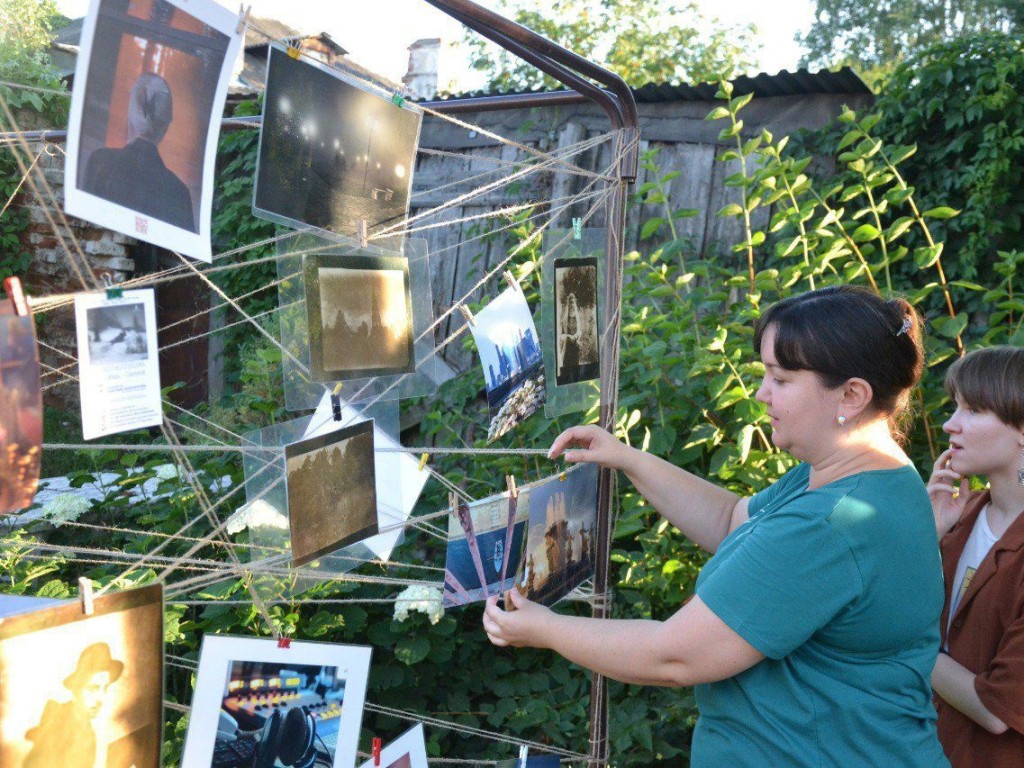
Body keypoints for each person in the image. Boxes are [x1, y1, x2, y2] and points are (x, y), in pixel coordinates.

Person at [483, 285, 950, 766]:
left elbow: (673, 657)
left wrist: (545, 628)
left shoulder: (831, 524)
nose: (761, 393)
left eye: (781, 379)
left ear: (851, 394)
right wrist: (627, 459)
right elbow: (733, 519)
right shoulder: (865, 475)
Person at [925, 346, 1024, 766]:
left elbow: (997, 709)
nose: (950, 424)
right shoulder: (958, 516)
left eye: (974, 409)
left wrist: (896, 640)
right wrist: (927, 537)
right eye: (955, 407)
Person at [82, 72, 196, 232]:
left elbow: (83, 227)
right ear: (165, 125)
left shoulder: (101, 162)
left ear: (131, 111)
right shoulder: (179, 191)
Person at [24, 641, 124, 768]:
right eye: (93, 688)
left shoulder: (88, 731)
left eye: (105, 688)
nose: (101, 698)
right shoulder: (57, 723)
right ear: (76, 689)